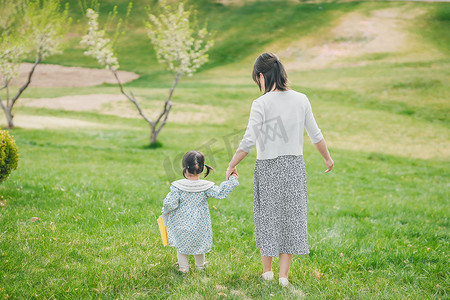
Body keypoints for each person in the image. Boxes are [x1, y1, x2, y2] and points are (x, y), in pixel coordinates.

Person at [226, 53, 334, 287]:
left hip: (268, 167)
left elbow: (248, 140)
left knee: (268, 218)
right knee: (291, 218)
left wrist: (232, 163)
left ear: (261, 76)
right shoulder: (301, 99)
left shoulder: (261, 103)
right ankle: (284, 276)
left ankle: (268, 271)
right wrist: (327, 158)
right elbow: (315, 134)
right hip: (294, 167)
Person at [162, 150, 239, 273]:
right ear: (202, 169)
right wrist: (232, 180)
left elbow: (169, 204)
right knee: (200, 246)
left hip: (181, 225)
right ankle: (200, 266)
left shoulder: (178, 187)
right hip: (200, 225)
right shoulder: (206, 187)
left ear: (184, 169)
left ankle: (184, 268)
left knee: (182, 247)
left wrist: (165, 211)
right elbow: (221, 192)